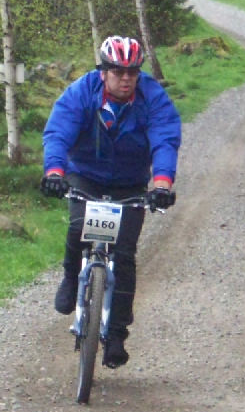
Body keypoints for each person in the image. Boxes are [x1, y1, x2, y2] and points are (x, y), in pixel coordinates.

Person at [40, 35, 182, 368]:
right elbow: (59, 130)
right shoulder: (81, 92)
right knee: (79, 228)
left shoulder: (152, 97)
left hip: (130, 182)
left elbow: (165, 138)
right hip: (85, 175)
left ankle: (116, 334)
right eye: (118, 72)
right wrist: (55, 172)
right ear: (103, 72)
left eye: (132, 72)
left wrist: (161, 183)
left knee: (125, 254)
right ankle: (71, 277)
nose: (126, 79)